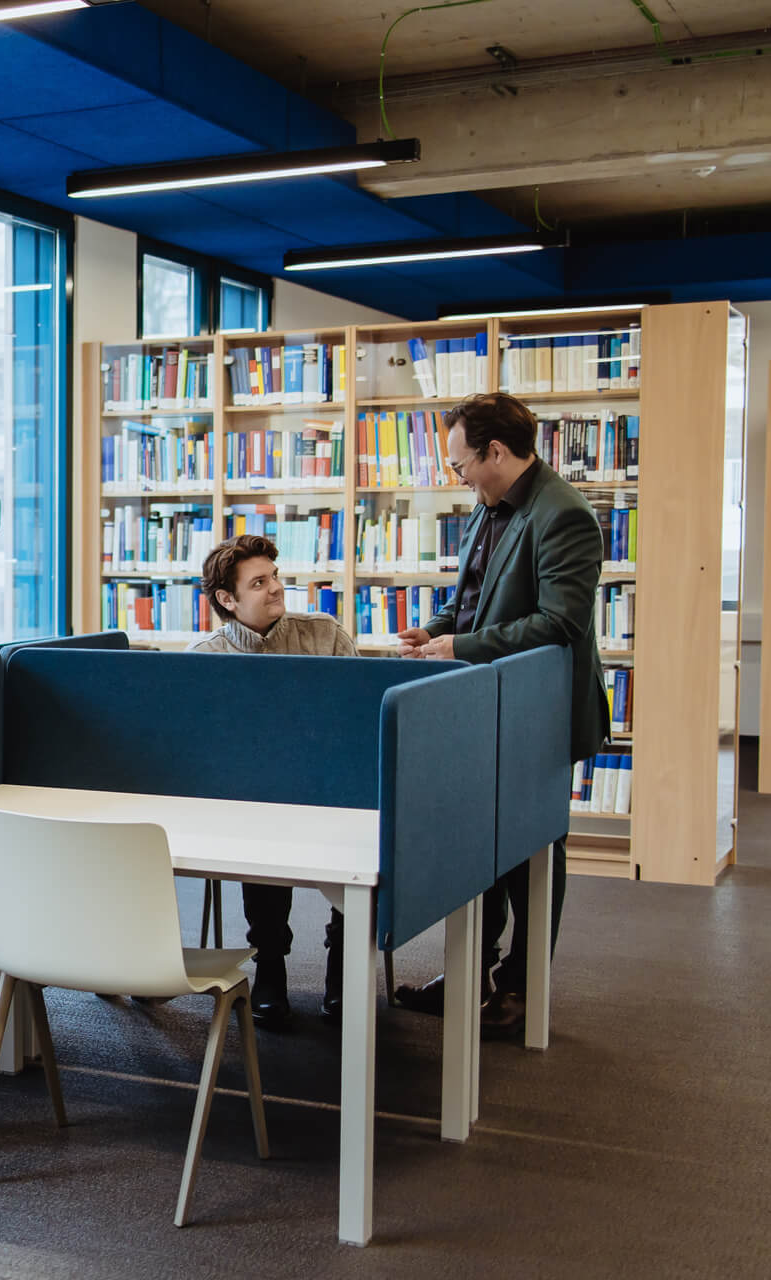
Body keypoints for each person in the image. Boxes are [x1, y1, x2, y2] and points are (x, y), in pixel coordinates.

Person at [395, 391, 609, 1039]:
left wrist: (458, 646)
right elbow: (474, 601)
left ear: (496, 451)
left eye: (462, 465)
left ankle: (519, 990)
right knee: (478, 845)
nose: (458, 477)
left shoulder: (563, 514)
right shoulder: (487, 508)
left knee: (534, 850)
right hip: (481, 706)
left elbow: (559, 623)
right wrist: (430, 631)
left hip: (535, 711)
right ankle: (468, 978)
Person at [189, 533, 357, 1028]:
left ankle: (344, 964)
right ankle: (269, 962)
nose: (276, 589)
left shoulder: (324, 634)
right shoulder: (205, 655)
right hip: (252, 798)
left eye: (276, 577)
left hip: (331, 792)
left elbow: (357, 720)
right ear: (227, 599)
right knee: (256, 821)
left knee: (357, 832)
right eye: (259, 583)